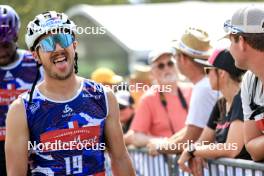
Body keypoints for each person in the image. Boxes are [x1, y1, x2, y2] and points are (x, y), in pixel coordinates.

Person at [5, 11, 135, 175]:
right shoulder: (21, 109)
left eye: (64, 39)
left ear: (74, 45)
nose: (58, 48)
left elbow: (120, 158)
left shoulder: (103, 96)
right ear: (35, 55)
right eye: (47, 44)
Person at [177, 49, 250, 175]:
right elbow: (203, 141)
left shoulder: (241, 98)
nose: (206, 76)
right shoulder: (221, 103)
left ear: (221, 73)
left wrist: (193, 150)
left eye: (208, 70)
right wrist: (198, 151)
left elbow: (231, 148)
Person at [148, 27, 218, 155]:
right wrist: (166, 143)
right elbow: (193, 129)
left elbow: (189, 139)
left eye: (174, 58)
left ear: (183, 59)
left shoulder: (202, 88)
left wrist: (160, 147)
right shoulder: (206, 83)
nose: (171, 65)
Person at [0, 5, 42, 175]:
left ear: (16, 36)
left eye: (5, 45)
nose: (1, 52)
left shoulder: (36, 63)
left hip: (31, 145)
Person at [125, 47, 192, 147]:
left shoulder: (192, 90)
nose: (167, 68)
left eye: (170, 63)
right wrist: (162, 143)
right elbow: (136, 136)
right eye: (161, 66)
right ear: (152, 73)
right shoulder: (149, 98)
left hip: (195, 156)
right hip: (167, 160)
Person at [223, 6, 264, 161]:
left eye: (229, 40)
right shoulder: (249, 80)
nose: (228, 49)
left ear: (241, 42)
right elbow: (252, 148)